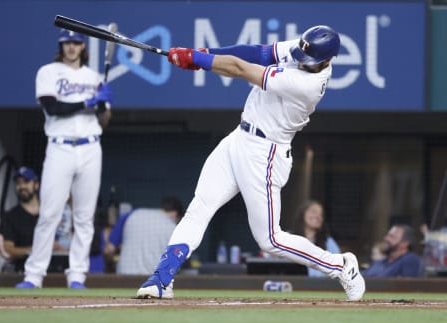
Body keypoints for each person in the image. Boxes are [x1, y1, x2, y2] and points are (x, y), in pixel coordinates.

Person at [136, 25, 365, 301]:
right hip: (239, 138)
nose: (301, 60)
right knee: (200, 207)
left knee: (270, 239)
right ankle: (161, 278)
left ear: (327, 61)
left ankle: (340, 265)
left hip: (266, 153)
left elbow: (241, 69)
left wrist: (197, 59)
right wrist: (204, 54)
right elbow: (258, 53)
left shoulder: (308, 85)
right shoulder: (306, 48)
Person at [16, 29, 112, 289]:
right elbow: (53, 108)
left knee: (84, 217)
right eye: (67, 42)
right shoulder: (48, 72)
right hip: (60, 147)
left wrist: (103, 104)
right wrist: (88, 101)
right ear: (61, 46)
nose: (71, 47)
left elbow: (103, 122)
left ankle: (78, 275)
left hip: (91, 146)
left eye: (76, 42)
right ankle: (34, 276)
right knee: (49, 213)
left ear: (82, 46)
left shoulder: (93, 77)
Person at [104, 196, 183, 275]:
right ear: (175, 214)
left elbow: (109, 250)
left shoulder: (132, 214)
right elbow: (175, 265)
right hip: (153, 281)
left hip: (125, 276)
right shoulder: (172, 227)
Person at [294, 200, 341, 277]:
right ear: (303, 214)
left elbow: (339, 266)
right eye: (313, 211)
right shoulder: (290, 238)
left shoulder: (328, 241)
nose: (317, 216)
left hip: (321, 286)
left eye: (321, 214)